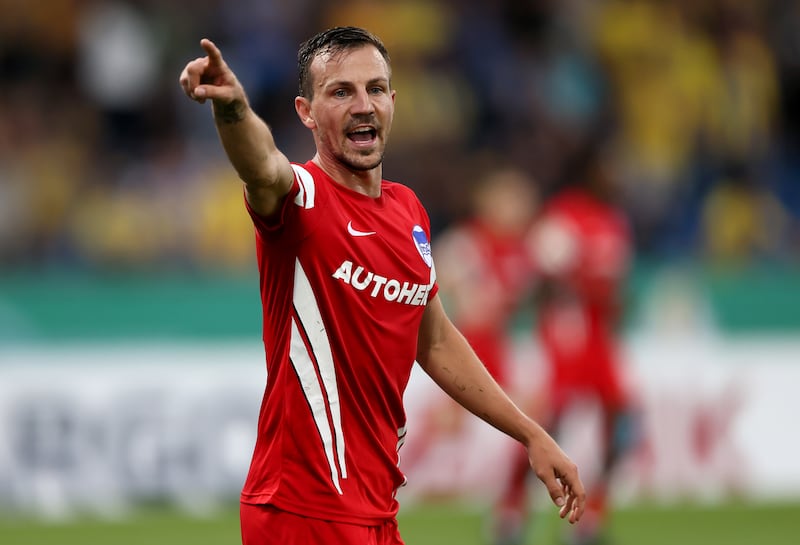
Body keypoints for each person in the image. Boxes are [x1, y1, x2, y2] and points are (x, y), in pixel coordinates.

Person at [178, 26, 584, 545]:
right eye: (340, 92)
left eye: (374, 89)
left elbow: (434, 340)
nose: (363, 105)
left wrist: (530, 434)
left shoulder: (408, 211)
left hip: (375, 510)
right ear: (306, 112)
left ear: (393, 101)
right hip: (301, 510)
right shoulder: (302, 198)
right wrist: (233, 108)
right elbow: (261, 166)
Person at [492, 138, 638, 545]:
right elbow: (536, 282)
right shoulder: (563, 217)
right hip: (565, 335)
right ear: (591, 170)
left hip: (600, 338)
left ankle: (593, 516)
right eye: (610, 167)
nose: (617, 176)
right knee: (545, 424)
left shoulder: (615, 221)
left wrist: (614, 305)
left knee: (622, 423)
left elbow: (617, 288)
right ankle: (511, 509)